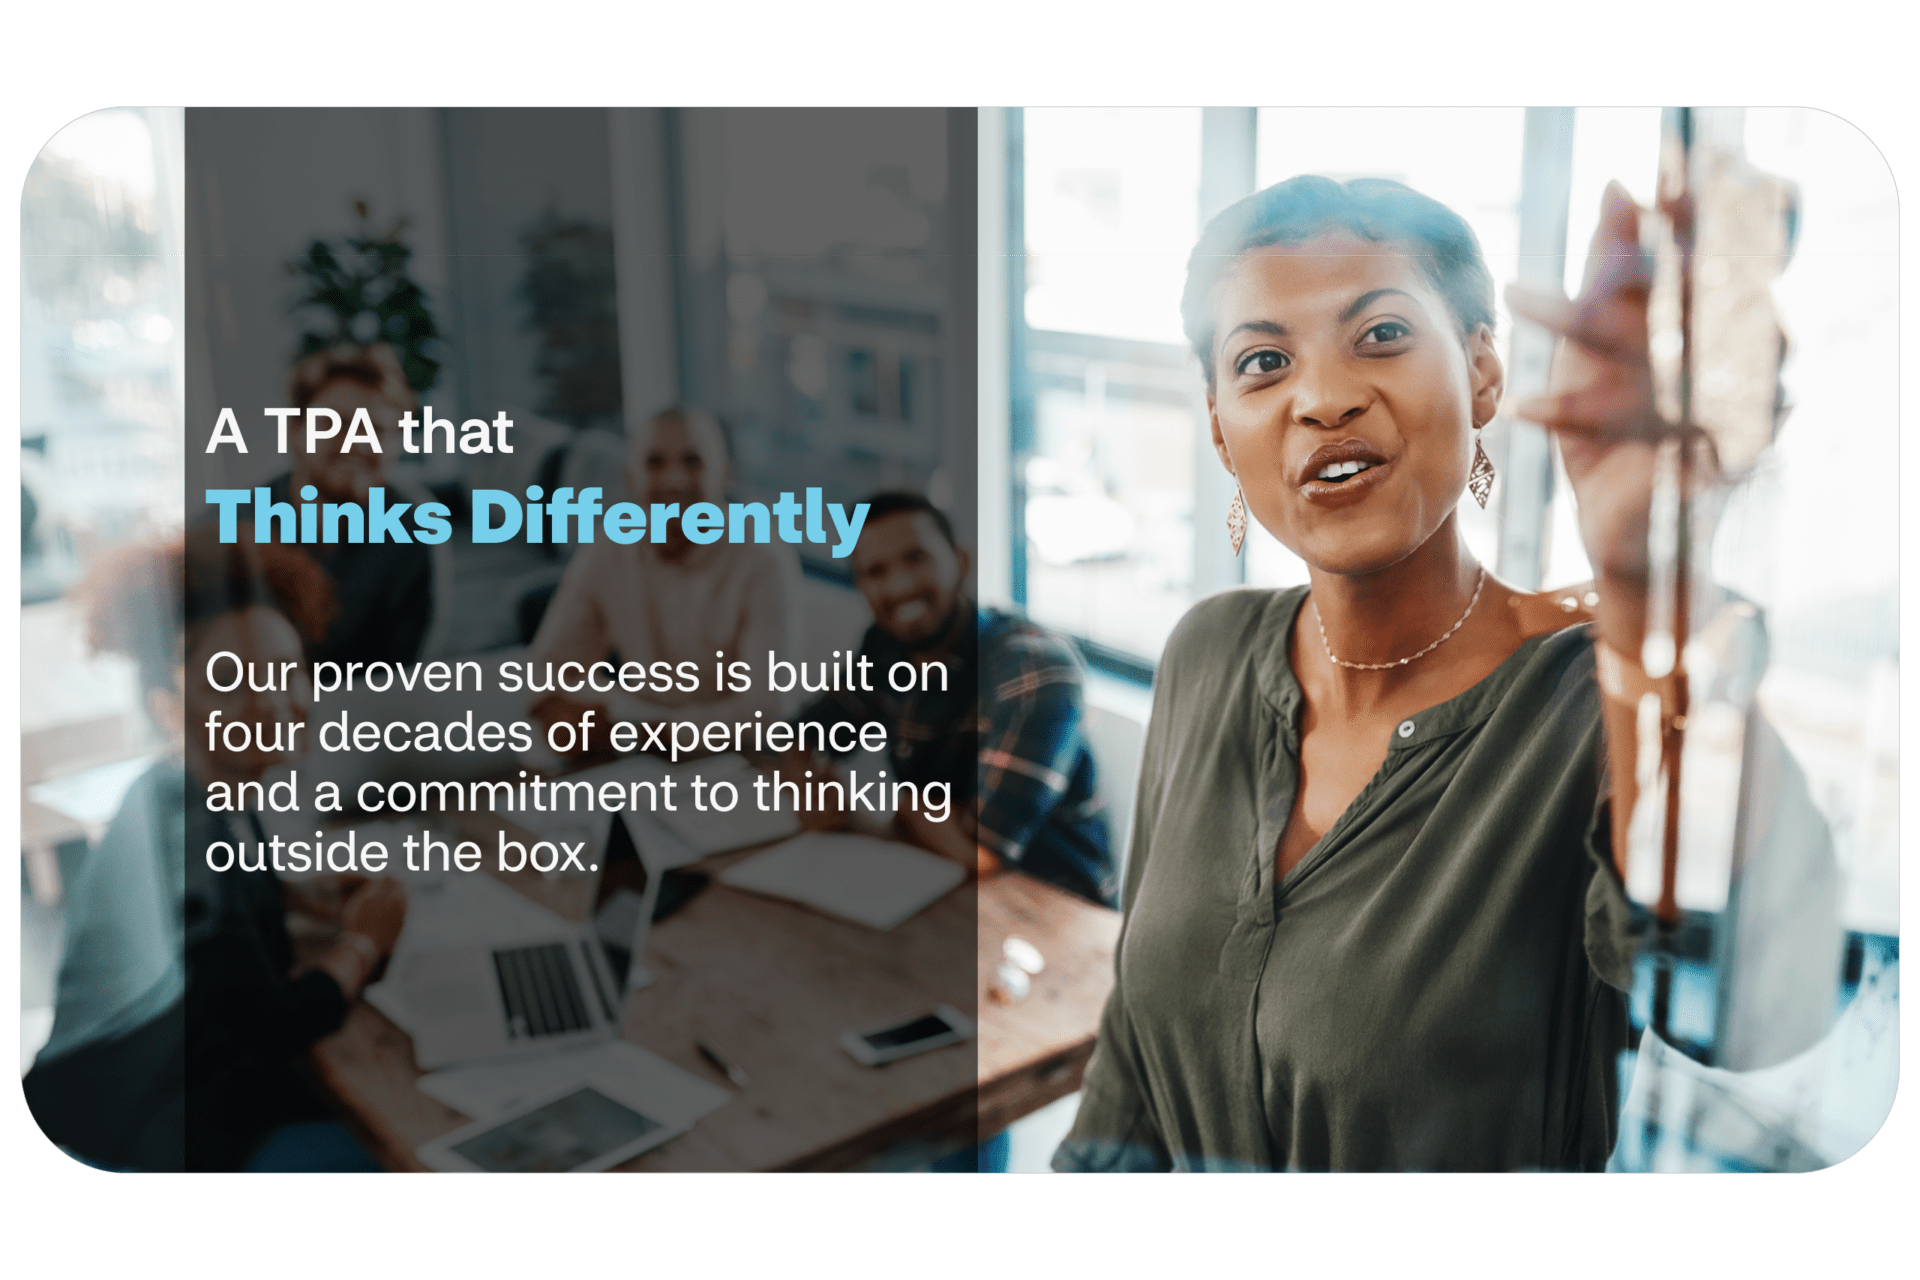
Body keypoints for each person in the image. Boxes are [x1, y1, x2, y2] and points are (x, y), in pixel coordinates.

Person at [1053, 176, 1832, 1172]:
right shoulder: (1206, 651)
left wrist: (1650, 582)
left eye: (1379, 335)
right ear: (1218, 426)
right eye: (1261, 362)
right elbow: (1132, 1064)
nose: (1324, 396)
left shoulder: (1595, 693)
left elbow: (1758, 1009)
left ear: (1484, 372)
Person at [22, 529, 408, 1170]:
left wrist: (302, 891)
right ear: (169, 708)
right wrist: (363, 942)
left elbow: (219, 940)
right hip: (139, 1131)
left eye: (291, 672)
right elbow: (272, 1022)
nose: (285, 704)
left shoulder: (186, 790)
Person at [795, 491, 1115, 907]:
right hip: (939, 885)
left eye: (917, 558)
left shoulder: (1033, 668)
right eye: (876, 571)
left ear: (961, 562)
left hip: (1052, 910)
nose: (900, 585)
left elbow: (983, 856)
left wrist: (904, 807)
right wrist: (810, 788)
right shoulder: (885, 647)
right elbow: (800, 737)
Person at [527, 405, 800, 748]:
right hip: (637, 763)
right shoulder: (607, 547)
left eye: (693, 461)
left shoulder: (763, 555)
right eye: (654, 462)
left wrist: (638, 731)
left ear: (725, 475)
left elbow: (766, 715)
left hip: (737, 766)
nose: (674, 479)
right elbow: (546, 672)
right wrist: (562, 708)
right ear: (630, 478)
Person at [265, 343, 444, 665]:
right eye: (336, 424)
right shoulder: (233, 532)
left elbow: (405, 670)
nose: (359, 443)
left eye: (378, 429)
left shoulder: (415, 527)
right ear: (294, 432)